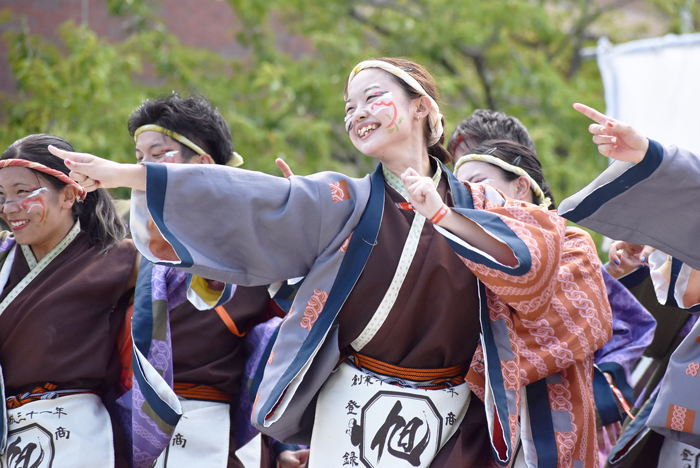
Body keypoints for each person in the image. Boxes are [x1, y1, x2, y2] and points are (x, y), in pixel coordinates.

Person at [49, 57, 611, 467]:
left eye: (372, 97)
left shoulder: (480, 207)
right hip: (354, 404)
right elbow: (253, 197)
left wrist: (442, 215)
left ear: (422, 108)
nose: (358, 113)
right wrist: (130, 176)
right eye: (350, 106)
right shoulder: (342, 200)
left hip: (454, 418)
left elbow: (530, 268)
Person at [121, 93, 306, 468]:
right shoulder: (124, 246)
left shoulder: (256, 249)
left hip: (221, 432)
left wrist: (284, 446)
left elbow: (290, 340)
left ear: (203, 163)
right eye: (139, 158)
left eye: (157, 155)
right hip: (130, 422)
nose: (143, 168)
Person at [452, 137, 657, 466]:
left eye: (477, 183)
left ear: (521, 186)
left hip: (554, 416)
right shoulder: (458, 252)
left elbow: (572, 323)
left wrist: (465, 362)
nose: (469, 195)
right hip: (466, 419)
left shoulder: (572, 244)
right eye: (459, 188)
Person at [0, 134, 138, 468]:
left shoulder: (121, 260)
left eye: (22, 192)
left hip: (81, 435)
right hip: (8, 436)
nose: (9, 208)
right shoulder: (2, 262)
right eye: (2, 196)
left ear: (71, 194)